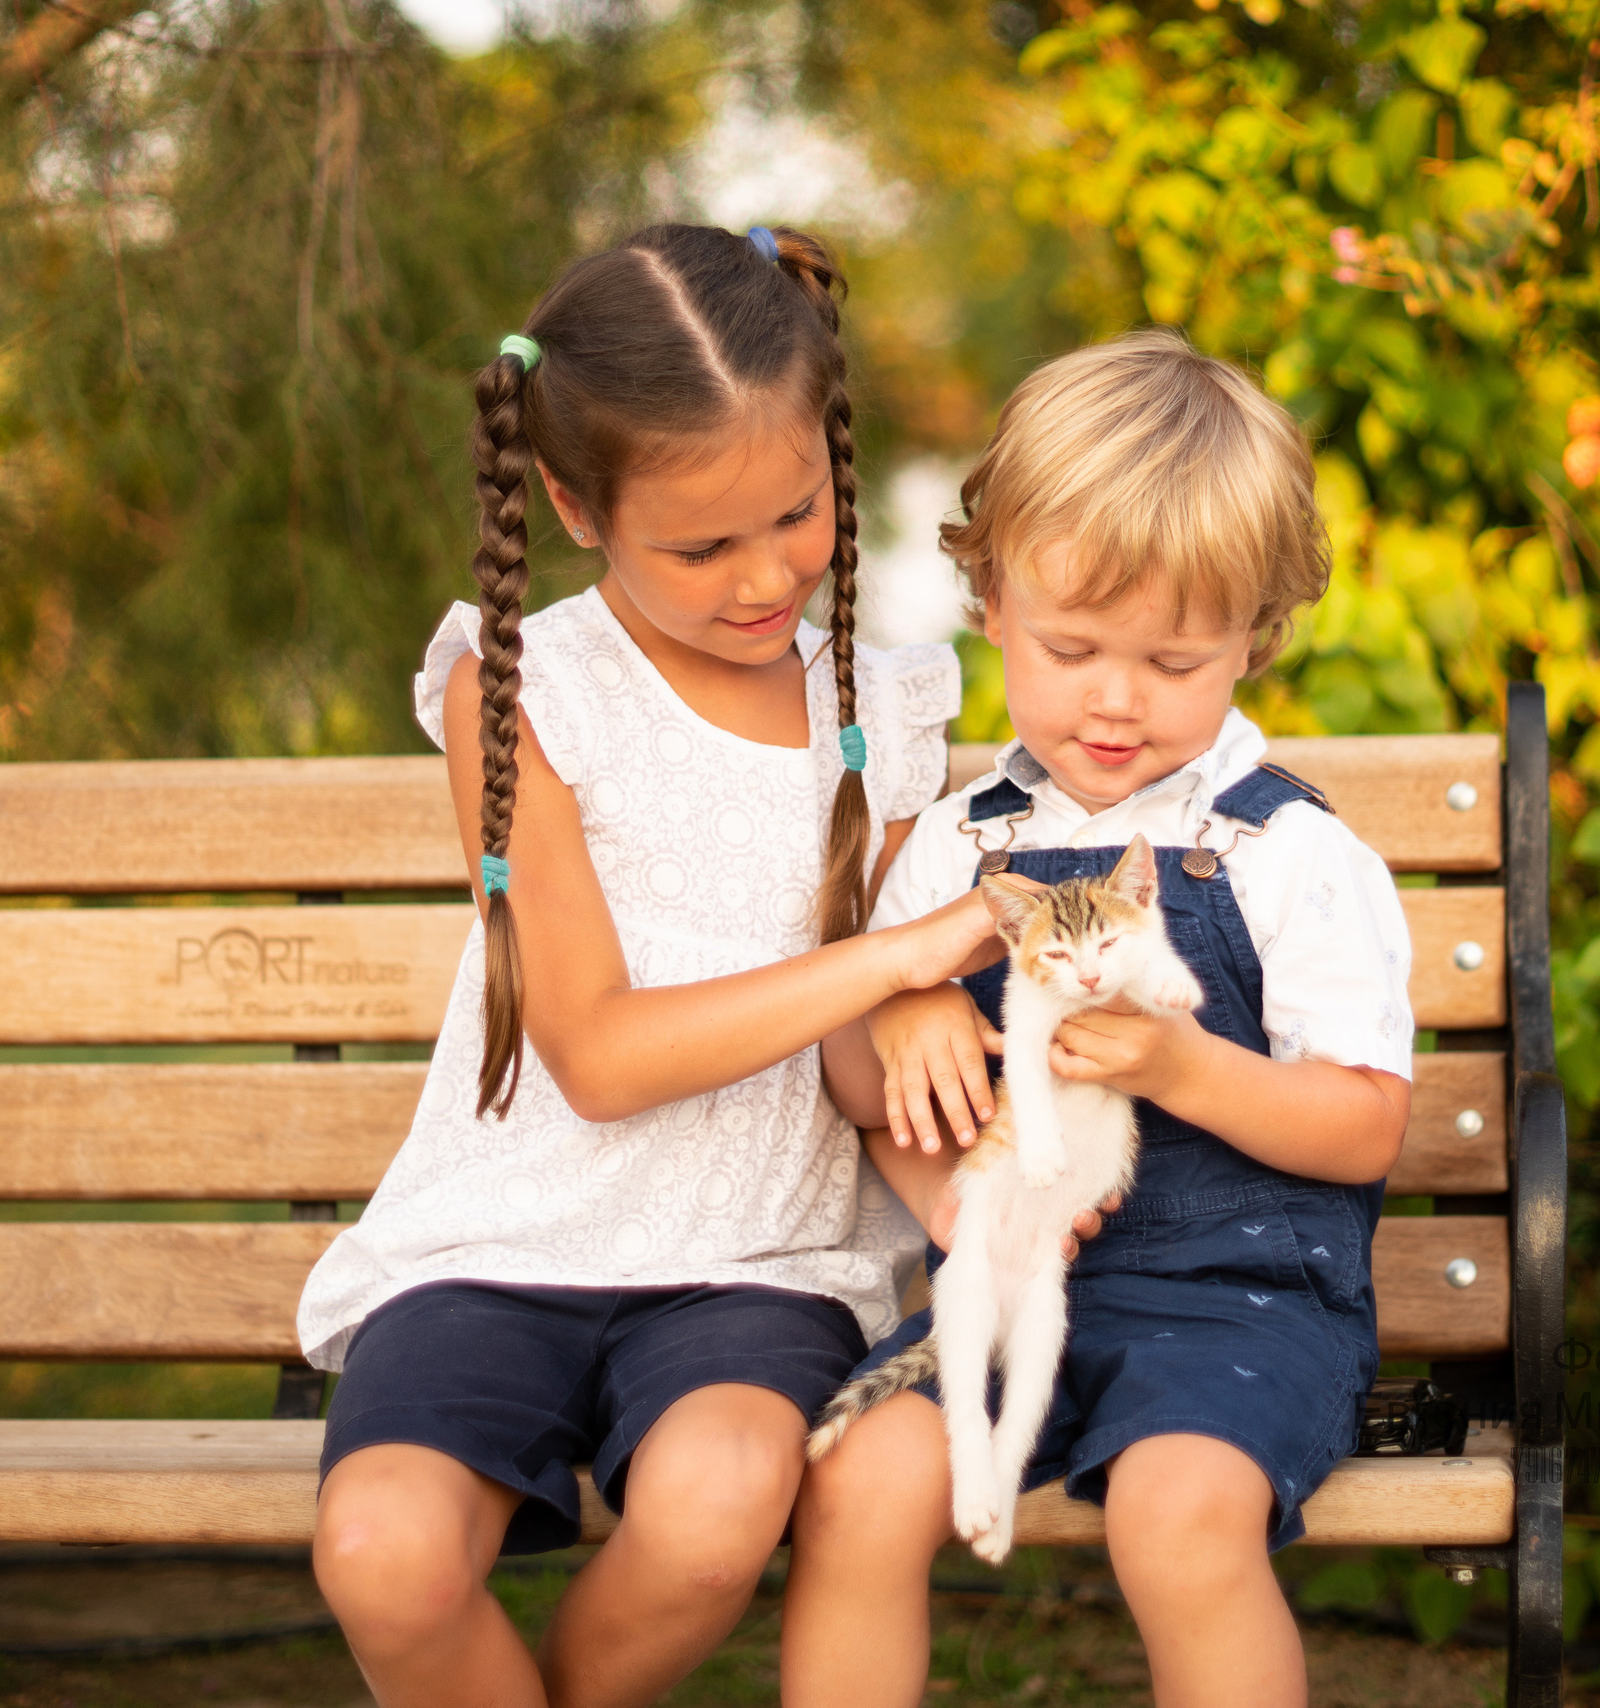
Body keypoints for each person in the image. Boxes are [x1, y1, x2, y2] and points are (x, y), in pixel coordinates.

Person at [297, 222, 995, 1708]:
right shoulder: (523, 688)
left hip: (761, 1260)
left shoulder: (889, 701)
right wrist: (901, 955)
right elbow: (600, 1059)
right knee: (382, 1552)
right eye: (700, 546)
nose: (765, 580)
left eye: (799, 515)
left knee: (715, 1512)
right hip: (501, 1243)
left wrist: (920, 989)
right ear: (569, 501)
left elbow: (871, 1060)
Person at [788, 328, 1417, 1708]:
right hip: (1013, 1280)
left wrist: (1188, 1063)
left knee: (1179, 1514)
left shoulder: (1284, 856)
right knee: (859, 1479)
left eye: (1175, 662)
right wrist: (898, 1038)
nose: (1117, 700)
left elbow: (1366, 1126)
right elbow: (851, 1081)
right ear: (991, 601)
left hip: (1239, 1302)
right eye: (1073, 647)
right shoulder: (964, 839)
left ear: (1253, 637)